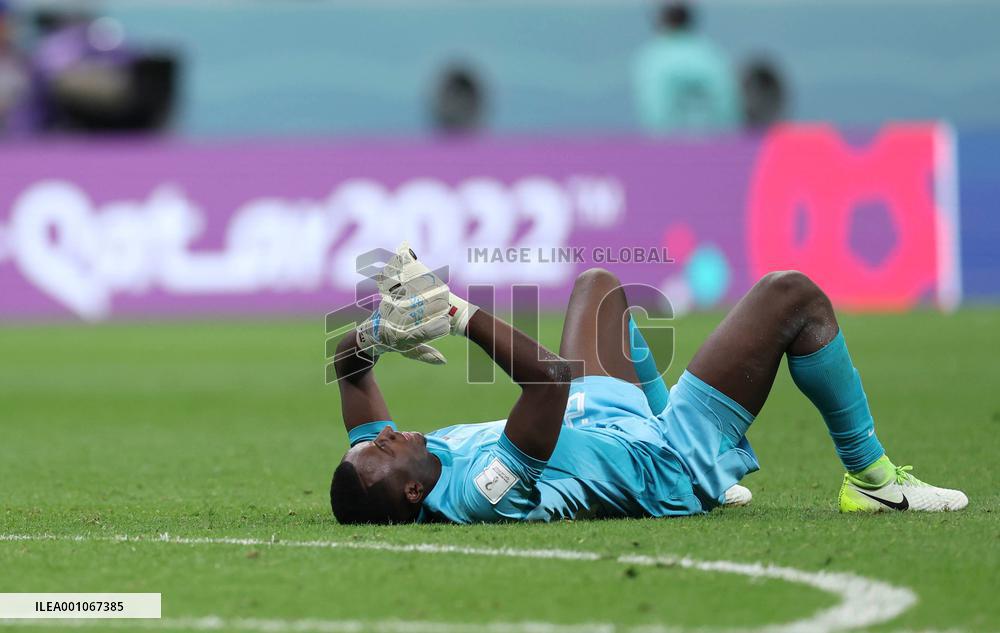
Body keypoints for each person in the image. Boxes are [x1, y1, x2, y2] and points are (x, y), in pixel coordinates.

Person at [329, 245, 967, 524]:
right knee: (792, 295)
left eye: (373, 439)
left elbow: (347, 372)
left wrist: (375, 335)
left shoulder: (409, 465)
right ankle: (875, 482)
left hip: (599, 418)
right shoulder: (477, 496)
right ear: (413, 492)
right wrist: (458, 316)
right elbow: (548, 384)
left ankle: (668, 421)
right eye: (382, 448)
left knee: (599, 290)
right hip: (664, 465)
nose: (385, 432)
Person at [632, 2, 740, 134]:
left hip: (667, 145)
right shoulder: (711, 55)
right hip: (712, 142)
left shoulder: (651, 59)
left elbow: (654, 110)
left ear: (661, 21)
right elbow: (726, 104)